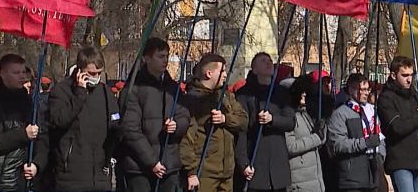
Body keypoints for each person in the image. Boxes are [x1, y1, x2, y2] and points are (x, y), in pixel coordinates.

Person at [119, 37, 191, 192]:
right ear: (147, 58)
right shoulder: (133, 88)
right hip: (139, 166)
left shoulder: (172, 87)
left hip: (168, 162)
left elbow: (184, 114)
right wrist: (151, 162)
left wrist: (176, 125)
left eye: (166, 56)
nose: (165, 60)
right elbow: (130, 129)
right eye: (160, 56)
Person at [48, 46, 121, 192]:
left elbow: (115, 122)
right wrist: (80, 93)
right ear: (80, 70)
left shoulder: (105, 92)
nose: (95, 77)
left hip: (100, 174)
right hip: (71, 175)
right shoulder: (62, 90)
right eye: (91, 73)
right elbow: (59, 120)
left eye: (99, 73)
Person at [180, 53, 248, 192]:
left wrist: (225, 119)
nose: (225, 75)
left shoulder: (225, 96)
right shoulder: (192, 100)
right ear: (209, 73)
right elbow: (186, 139)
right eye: (222, 71)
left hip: (227, 171)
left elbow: (243, 120)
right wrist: (191, 171)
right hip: (205, 172)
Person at [234, 53, 295, 192]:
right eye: (263, 61)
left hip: (278, 163)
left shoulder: (281, 92)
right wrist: (243, 163)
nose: (268, 63)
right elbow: (241, 130)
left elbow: (291, 122)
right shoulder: (244, 94)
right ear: (254, 69)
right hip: (256, 160)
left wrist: (273, 119)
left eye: (270, 61)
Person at [377, 56, 418, 192]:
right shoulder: (386, 98)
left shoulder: (416, 96)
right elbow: (397, 127)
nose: (409, 79)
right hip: (400, 162)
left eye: (411, 75)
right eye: (404, 75)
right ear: (393, 75)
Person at [0, 54, 41, 192]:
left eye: (23, 72)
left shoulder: (26, 100)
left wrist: (36, 163)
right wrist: (23, 134)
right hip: (3, 177)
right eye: (16, 72)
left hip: (25, 174)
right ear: (2, 73)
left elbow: (39, 136)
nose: (22, 76)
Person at [329, 73, 385, 192]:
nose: (365, 93)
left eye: (367, 89)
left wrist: (381, 155)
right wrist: (365, 142)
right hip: (352, 178)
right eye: (362, 89)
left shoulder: (371, 111)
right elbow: (337, 144)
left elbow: (381, 137)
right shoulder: (341, 113)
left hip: (373, 173)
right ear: (351, 89)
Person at [285, 75, 326, 192]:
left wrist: (323, 128)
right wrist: (316, 137)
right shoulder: (288, 116)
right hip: (300, 182)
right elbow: (291, 146)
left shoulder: (304, 113)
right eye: (300, 91)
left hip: (314, 178)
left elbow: (319, 140)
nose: (304, 94)